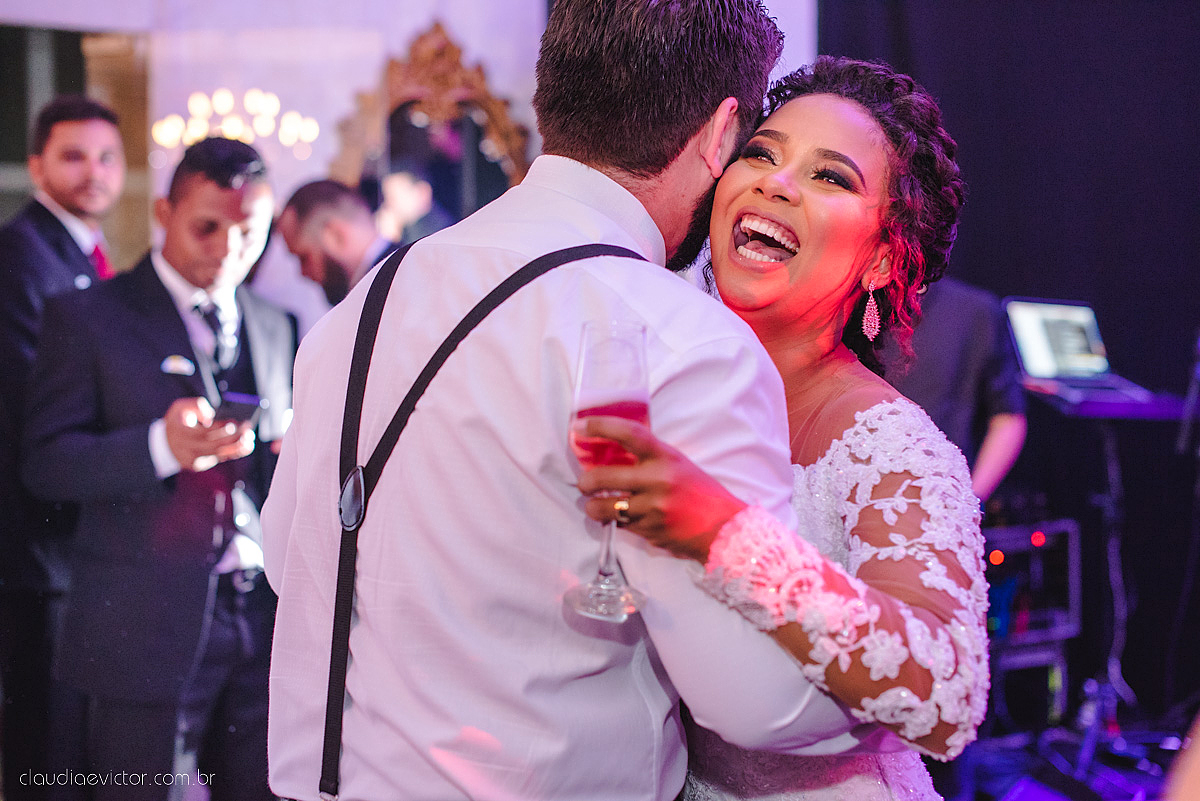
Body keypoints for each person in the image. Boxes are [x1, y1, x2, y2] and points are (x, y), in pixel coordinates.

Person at [261, 4, 886, 800]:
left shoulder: (364, 304)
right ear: (720, 132)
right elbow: (757, 699)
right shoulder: (678, 339)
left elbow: (294, 558)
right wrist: (895, 676)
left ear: (551, 94)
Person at [575, 57, 988, 799]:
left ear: (884, 257)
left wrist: (723, 531)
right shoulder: (661, 377)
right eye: (761, 153)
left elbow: (948, 695)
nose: (775, 181)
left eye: (831, 176)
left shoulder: (888, 442)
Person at [21, 137, 296, 801]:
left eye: (249, 231)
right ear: (166, 212)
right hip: (140, 620)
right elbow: (45, 465)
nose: (228, 248)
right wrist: (158, 445)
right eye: (207, 225)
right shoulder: (87, 316)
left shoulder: (275, 322)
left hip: (261, 616)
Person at [0, 94, 125, 800]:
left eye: (107, 157)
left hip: (68, 540)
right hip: (36, 543)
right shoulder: (19, 257)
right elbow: (35, 403)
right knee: (44, 747)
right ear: (36, 164)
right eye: (73, 156)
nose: (94, 173)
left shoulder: (77, 254)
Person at [886, 276, 1027, 502]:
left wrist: (970, 504)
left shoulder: (975, 310)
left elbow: (1008, 418)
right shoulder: (850, 303)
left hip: (939, 500)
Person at [276, 178, 399, 305]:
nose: (303, 273)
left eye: (304, 258)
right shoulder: (387, 283)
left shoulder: (397, 288)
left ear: (335, 235)